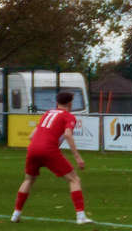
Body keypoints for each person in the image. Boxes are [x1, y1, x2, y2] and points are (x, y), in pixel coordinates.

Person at [11, 92, 93, 224]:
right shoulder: (69, 116)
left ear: (57, 102)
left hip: (33, 148)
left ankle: (15, 214)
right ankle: (81, 217)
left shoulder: (48, 113)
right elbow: (68, 135)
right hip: (48, 149)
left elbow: (32, 136)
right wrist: (78, 157)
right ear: (70, 103)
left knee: (28, 180)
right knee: (74, 179)